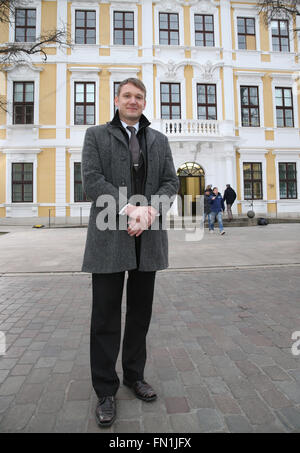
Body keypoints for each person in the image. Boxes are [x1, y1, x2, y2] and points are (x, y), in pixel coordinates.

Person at [81, 78, 179, 428]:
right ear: (116, 99)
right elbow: (92, 182)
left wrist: (149, 211)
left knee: (140, 315)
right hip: (110, 236)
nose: (133, 101)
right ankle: (105, 390)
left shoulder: (159, 140)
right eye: (127, 96)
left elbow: (172, 183)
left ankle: (134, 376)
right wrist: (131, 210)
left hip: (147, 237)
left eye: (139, 97)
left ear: (144, 101)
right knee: (105, 317)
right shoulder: (96, 136)